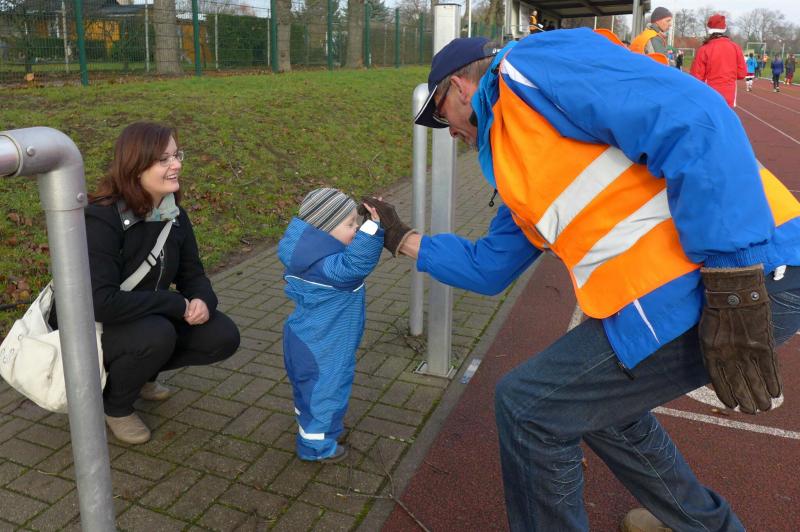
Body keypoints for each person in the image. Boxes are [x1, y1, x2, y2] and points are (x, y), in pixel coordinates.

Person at [364, 31, 800, 531]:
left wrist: (733, 277)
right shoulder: (513, 163)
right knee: (594, 409)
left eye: (440, 115)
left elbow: (694, 114)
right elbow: (491, 267)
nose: (447, 132)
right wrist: (401, 238)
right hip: (683, 290)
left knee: (529, 408)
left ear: (460, 87)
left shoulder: (527, 67)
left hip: (743, 271)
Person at [56, 122, 241, 444]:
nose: (177, 165)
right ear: (136, 166)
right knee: (157, 333)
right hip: (91, 326)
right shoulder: (101, 219)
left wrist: (202, 300)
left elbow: (193, 274)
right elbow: (100, 303)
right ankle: (115, 406)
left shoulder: (174, 215)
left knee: (222, 335)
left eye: (177, 155)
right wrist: (175, 304)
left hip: (144, 317)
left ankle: (140, 374)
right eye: (163, 159)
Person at [277, 188, 383, 462]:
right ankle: (316, 447)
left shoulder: (308, 256)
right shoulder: (329, 267)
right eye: (350, 224)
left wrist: (362, 225)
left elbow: (348, 257)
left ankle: (318, 429)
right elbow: (356, 264)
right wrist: (372, 228)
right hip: (324, 344)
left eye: (356, 223)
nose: (355, 228)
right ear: (325, 231)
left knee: (311, 391)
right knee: (326, 393)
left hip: (307, 336)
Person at [689, 14, 746, 107]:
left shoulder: (704, 49)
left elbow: (696, 76)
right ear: (724, 29)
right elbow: (741, 74)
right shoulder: (736, 47)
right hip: (730, 94)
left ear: (710, 29)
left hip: (710, 93)